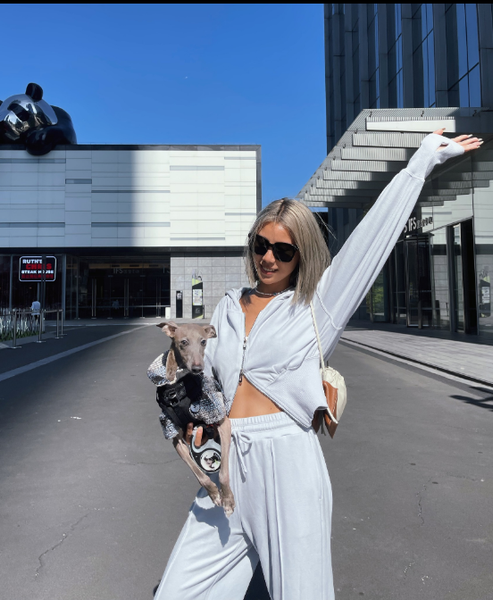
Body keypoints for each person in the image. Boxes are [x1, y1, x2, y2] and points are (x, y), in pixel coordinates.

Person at [152, 131, 482, 600]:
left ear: (301, 254)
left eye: (283, 251)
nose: (268, 258)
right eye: (260, 244)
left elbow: (371, 243)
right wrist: (190, 417)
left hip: (287, 458)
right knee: (179, 591)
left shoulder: (315, 306)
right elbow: (207, 376)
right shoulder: (228, 305)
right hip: (226, 458)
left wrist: (420, 165)